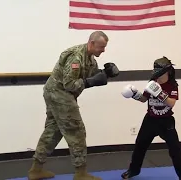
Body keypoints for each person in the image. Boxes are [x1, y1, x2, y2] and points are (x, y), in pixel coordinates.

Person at [27, 31, 119, 180]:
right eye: (101, 47)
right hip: (59, 94)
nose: (103, 50)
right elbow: (70, 84)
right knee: (77, 131)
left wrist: (106, 73)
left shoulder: (89, 58)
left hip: (56, 93)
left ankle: (36, 170)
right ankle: (80, 174)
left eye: (104, 47)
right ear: (92, 43)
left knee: (53, 131)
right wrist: (90, 82)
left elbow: (92, 76)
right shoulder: (75, 57)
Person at [121, 56, 181, 180]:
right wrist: (135, 94)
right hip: (150, 120)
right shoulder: (152, 82)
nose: (157, 74)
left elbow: (171, 103)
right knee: (140, 145)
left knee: (175, 150)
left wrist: (159, 93)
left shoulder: (172, 85)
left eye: (159, 72)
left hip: (166, 122)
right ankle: (133, 170)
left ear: (167, 71)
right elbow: (144, 99)